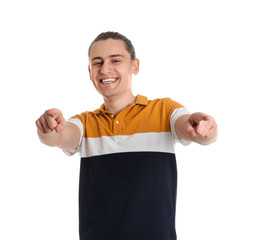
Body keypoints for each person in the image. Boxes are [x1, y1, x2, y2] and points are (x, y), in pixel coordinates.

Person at [36, 31, 218, 240]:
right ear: (90, 72)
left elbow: (195, 131)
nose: (105, 69)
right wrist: (48, 128)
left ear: (135, 66)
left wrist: (204, 128)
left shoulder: (163, 110)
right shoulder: (86, 122)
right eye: (97, 63)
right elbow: (59, 136)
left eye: (115, 60)